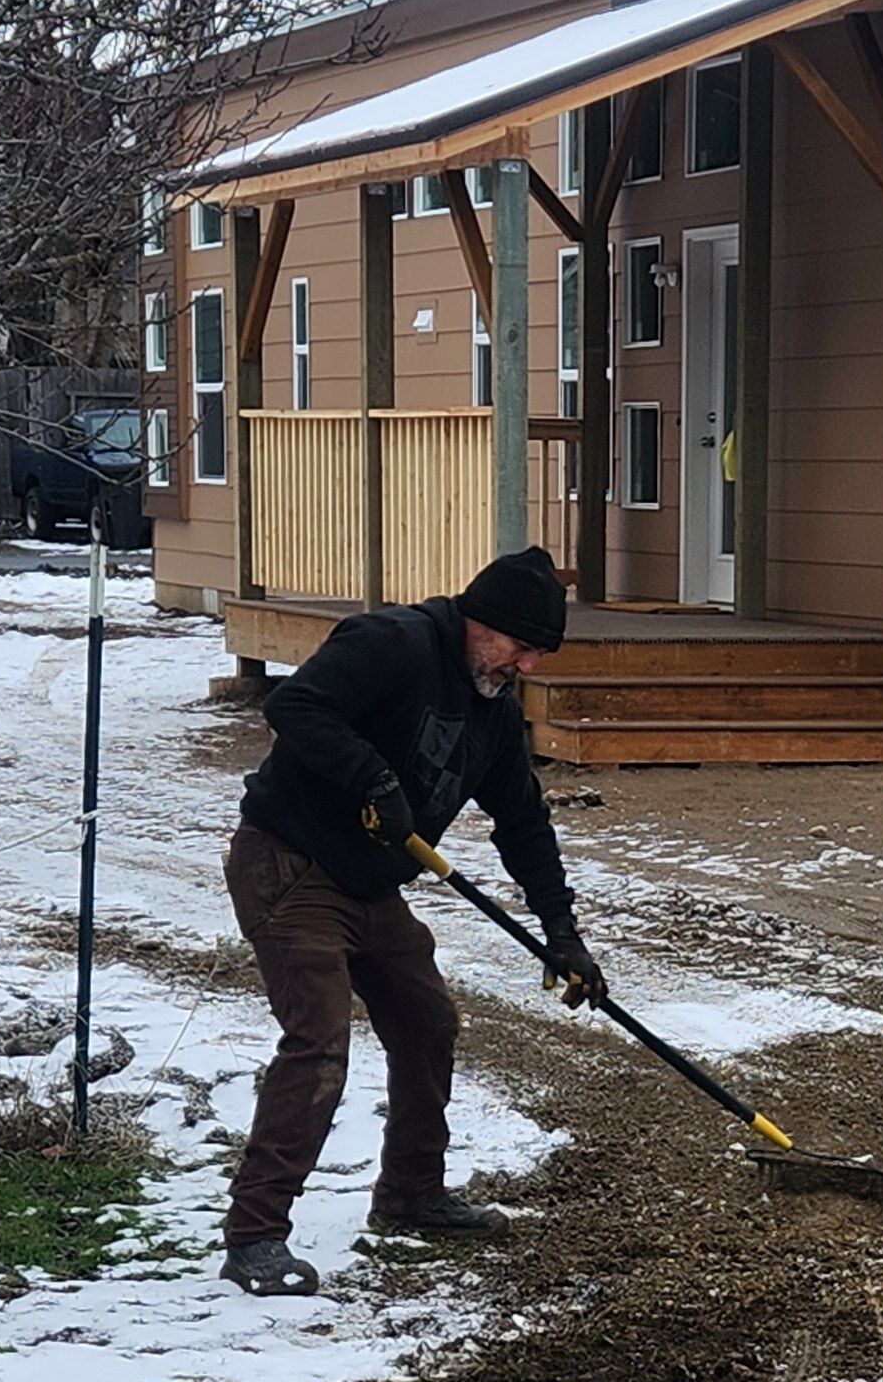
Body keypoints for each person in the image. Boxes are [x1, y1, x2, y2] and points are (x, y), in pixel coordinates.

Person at [219, 544, 605, 1296]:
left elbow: (523, 822)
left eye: (537, 655)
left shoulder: (491, 707)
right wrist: (370, 775)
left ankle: (411, 1196)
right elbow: (292, 707)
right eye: (521, 648)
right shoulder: (393, 645)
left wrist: (562, 931)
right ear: (481, 623)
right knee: (320, 1042)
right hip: (290, 863)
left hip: (371, 888)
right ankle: (255, 1236)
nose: (525, 667)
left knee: (427, 1021)